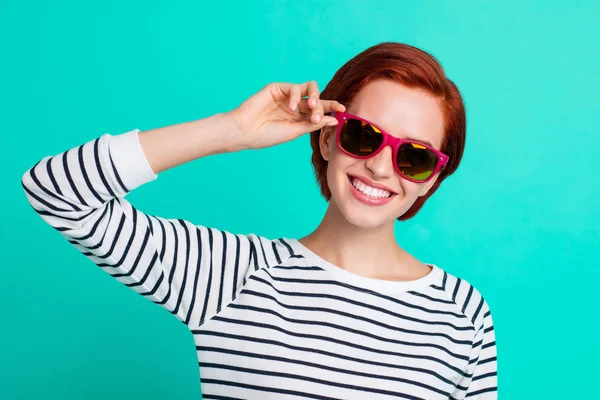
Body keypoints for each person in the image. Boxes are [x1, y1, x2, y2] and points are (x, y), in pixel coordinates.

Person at [22, 42, 497, 399]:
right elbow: (56, 191)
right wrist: (230, 130)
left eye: (413, 157)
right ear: (327, 138)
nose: (379, 167)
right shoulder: (230, 273)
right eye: (363, 135)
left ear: (431, 179)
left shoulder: (461, 313)